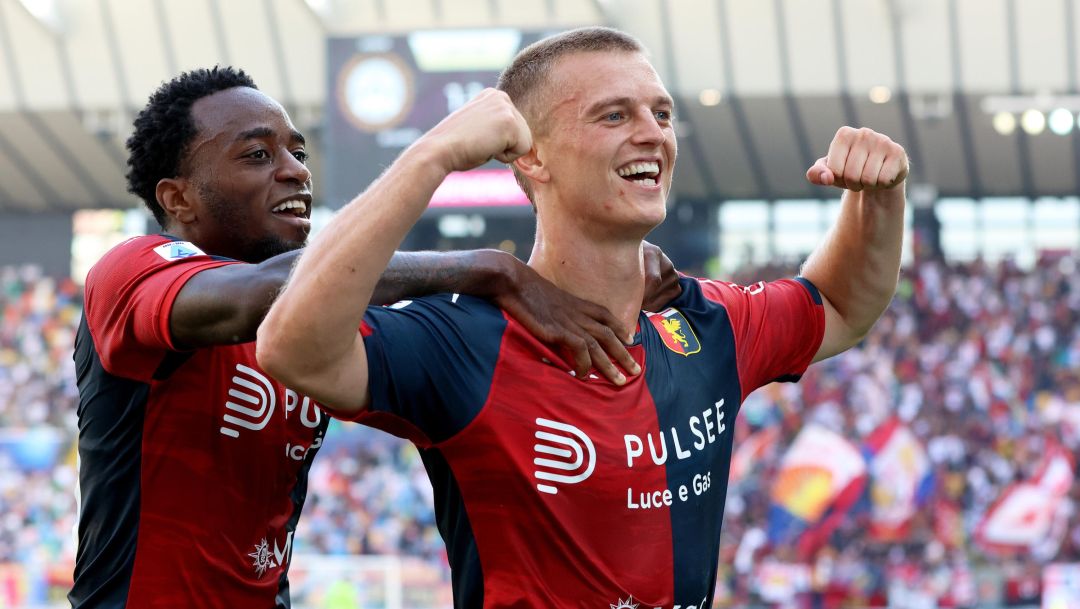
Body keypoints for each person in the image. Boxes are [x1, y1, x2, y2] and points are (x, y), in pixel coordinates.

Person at [258, 26, 907, 608]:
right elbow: (294, 345)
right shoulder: (465, 340)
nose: (652, 131)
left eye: (661, 112)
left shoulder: (704, 320)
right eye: (613, 115)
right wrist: (434, 156)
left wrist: (878, 198)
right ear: (531, 156)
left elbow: (843, 304)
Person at [70, 66, 678, 608]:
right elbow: (264, 293)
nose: (294, 171)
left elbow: (458, 330)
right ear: (178, 197)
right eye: (256, 155)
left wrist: (614, 267)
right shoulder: (132, 270)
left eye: (298, 151)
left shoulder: (332, 320)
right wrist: (492, 267)